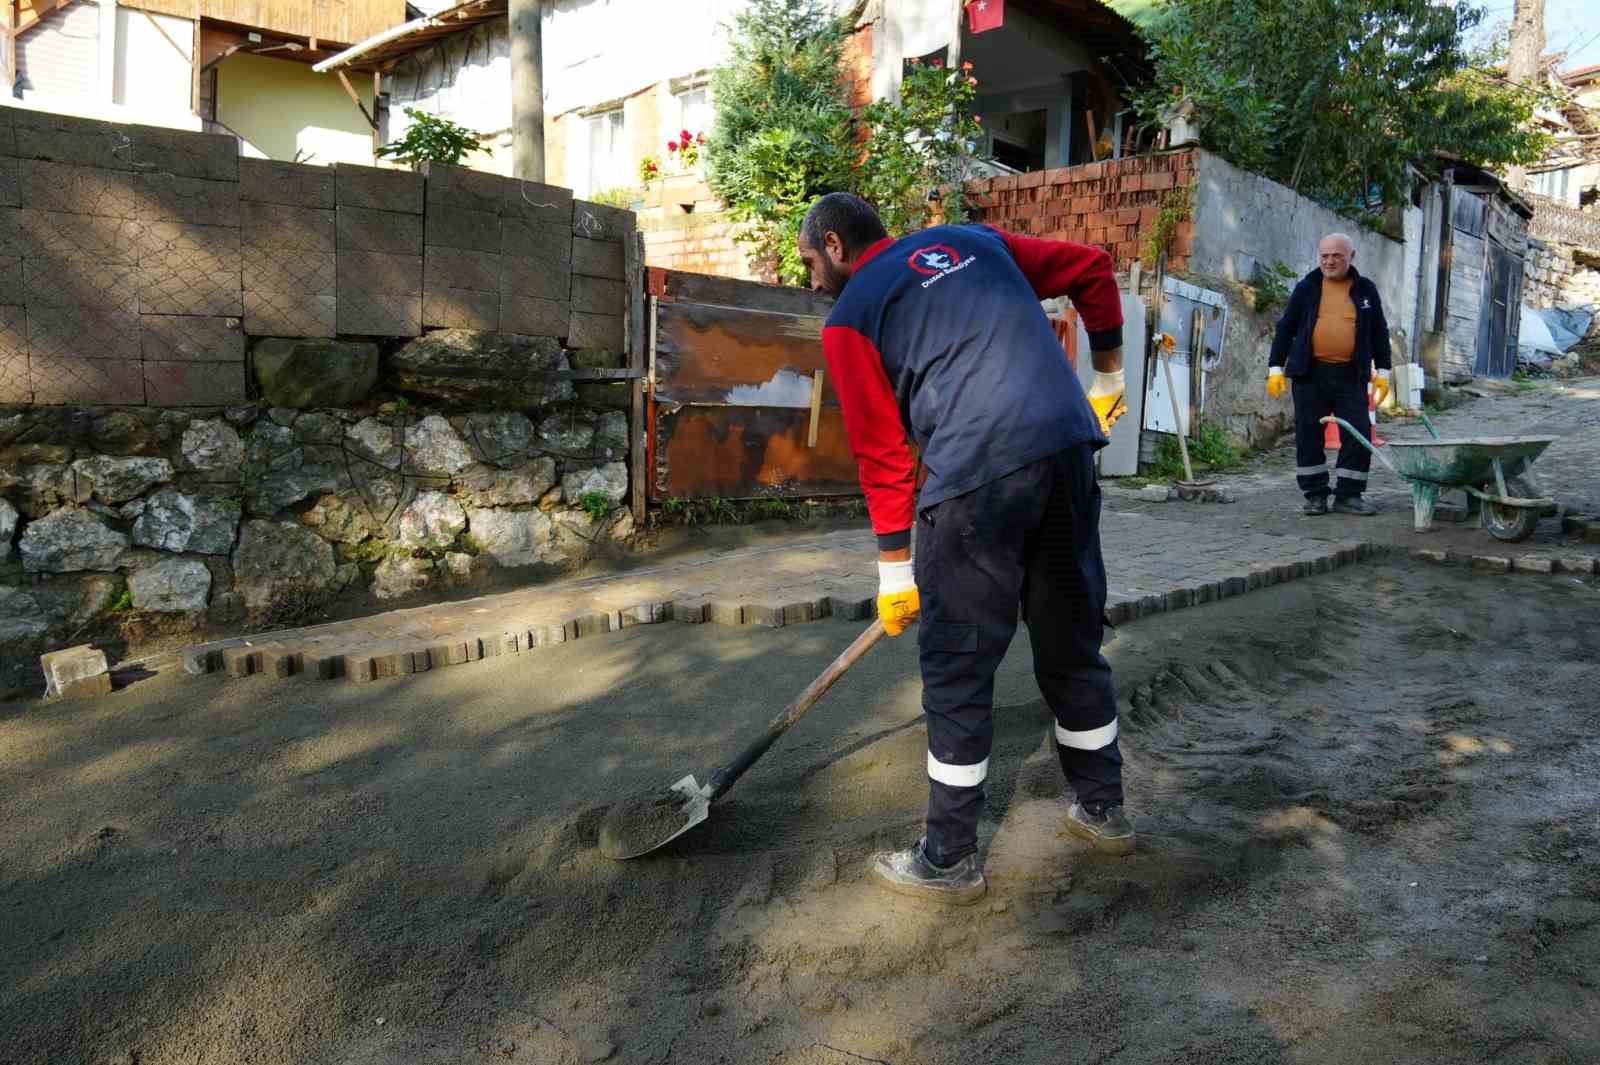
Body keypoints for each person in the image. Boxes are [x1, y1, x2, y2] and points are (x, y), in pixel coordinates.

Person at [797, 192, 1132, 907]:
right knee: (1071, 639)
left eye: (809, 266)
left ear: (833, 244)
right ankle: (1104, 809)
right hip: (1069, 450)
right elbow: (1094, 269)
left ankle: (949, 857)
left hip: (977, 472)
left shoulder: (851, 319)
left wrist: (894, 570)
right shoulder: (974, 242)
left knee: (957, 663)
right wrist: (1108, 374)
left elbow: (882, 453)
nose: (812, 285)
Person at [1267, 233, 1393, 516]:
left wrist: (1383, 371)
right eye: (1324, 256)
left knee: (1359, 432)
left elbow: (1379, 332)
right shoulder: (1307, 288)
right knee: (1309, 435)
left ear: (1351, 256)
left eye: (1337, 255)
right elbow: (1285, 328)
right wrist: (1275, 367)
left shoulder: (1365, 290)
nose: (1330, 261)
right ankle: (1315, 495)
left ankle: (1349, 495)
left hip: (1351, 375)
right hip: (1310, 375)